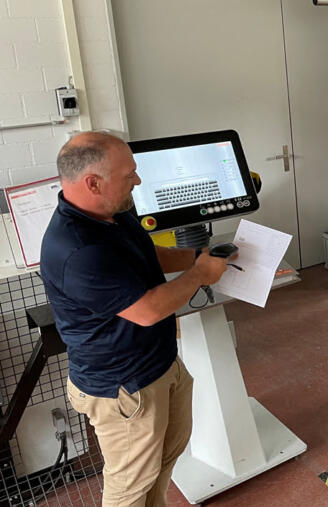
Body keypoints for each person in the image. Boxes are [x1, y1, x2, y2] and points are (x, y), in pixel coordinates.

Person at [40, 132, 232, 506]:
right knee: (129, 487)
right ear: (93, 183)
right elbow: (147, 310)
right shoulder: (77, 250)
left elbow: (149, 253)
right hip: (123, 388)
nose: (138, 181)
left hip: (157, 365)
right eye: (130, 174)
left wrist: (197, 255)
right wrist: (199, 275)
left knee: (162, 462)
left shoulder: (113, 212)